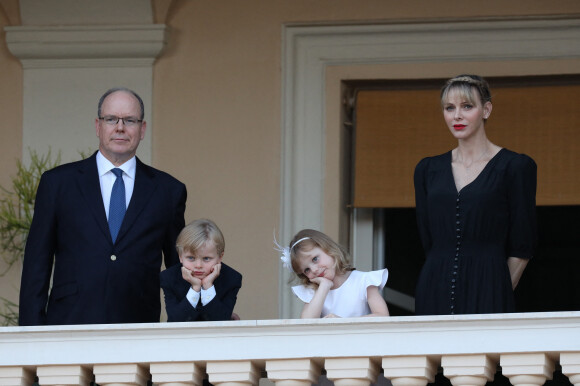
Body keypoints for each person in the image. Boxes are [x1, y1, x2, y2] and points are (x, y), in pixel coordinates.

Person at [18, 87, 187, 325]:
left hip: (138, 328)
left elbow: (180, 267)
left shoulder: (168, 191)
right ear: (98, 126)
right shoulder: (58, 183)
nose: (120, 127)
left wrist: (204, 316)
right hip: (68, 326)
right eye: (111, 119)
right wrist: (30, 336)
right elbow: (37, 263)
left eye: (129, 120)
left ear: (142, 129)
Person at [414, 74, 537, 315]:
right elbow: (427, 237)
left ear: (486, 110)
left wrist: (498, 289)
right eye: (449, 108)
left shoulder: (515, 166)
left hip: (490, 284)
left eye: (467, 106)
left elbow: (523, 245)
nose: (457, 115)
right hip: (434, 283)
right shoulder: (427, 169)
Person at [278, 229, 390, 318]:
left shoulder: (363, 281)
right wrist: (324, 287)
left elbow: (382, 315)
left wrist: (345, 323)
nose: (314, 270)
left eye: (315, 259)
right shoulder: (314, 291)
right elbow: (307, 323)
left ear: (328, 249)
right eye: (307, 270)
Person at [160, 219, 242, 322]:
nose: (198, 265)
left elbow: (220, 320)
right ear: (180, 257)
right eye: (191, 258)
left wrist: (208, 286)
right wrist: (195, 288)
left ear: (220, 257)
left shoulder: (231, 279)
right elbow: (175, 320)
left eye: (206, 258)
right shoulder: (169, 278)